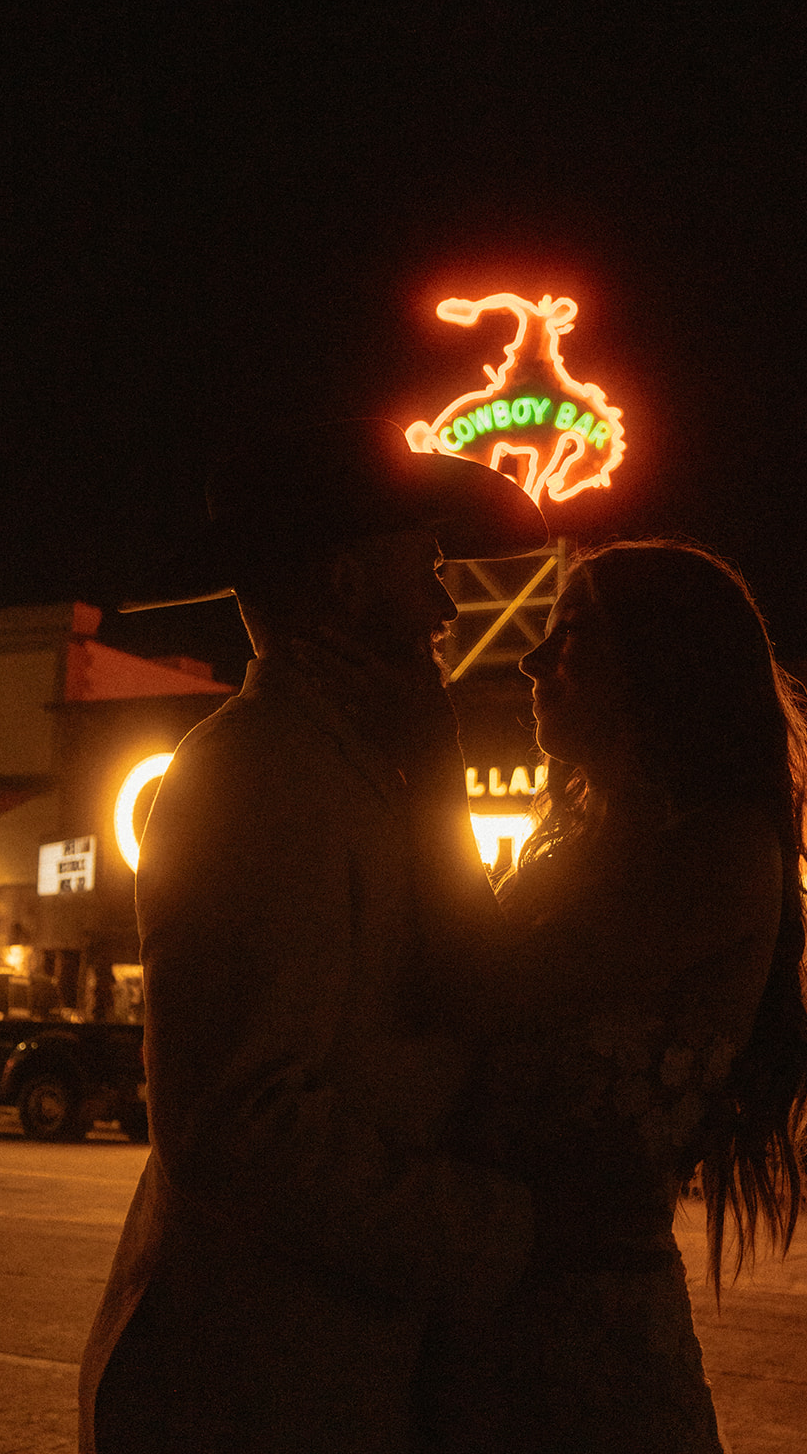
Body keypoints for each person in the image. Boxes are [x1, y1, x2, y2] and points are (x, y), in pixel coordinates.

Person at [78, 418, 549, 1453]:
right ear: (343, 581)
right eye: (421, 566)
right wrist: (486, 1230)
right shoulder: (257, 778)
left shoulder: (343, 767)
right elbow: (239, 1122)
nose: (443, 602)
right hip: (245, 1387)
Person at [418, 540, 807, 1453]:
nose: (531, 662)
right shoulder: (567, 851)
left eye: (569, 636)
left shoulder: (719, 854)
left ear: (663, 665)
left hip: (587, 1361)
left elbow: (481, 989)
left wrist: (414, 752)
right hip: (482, 1333)